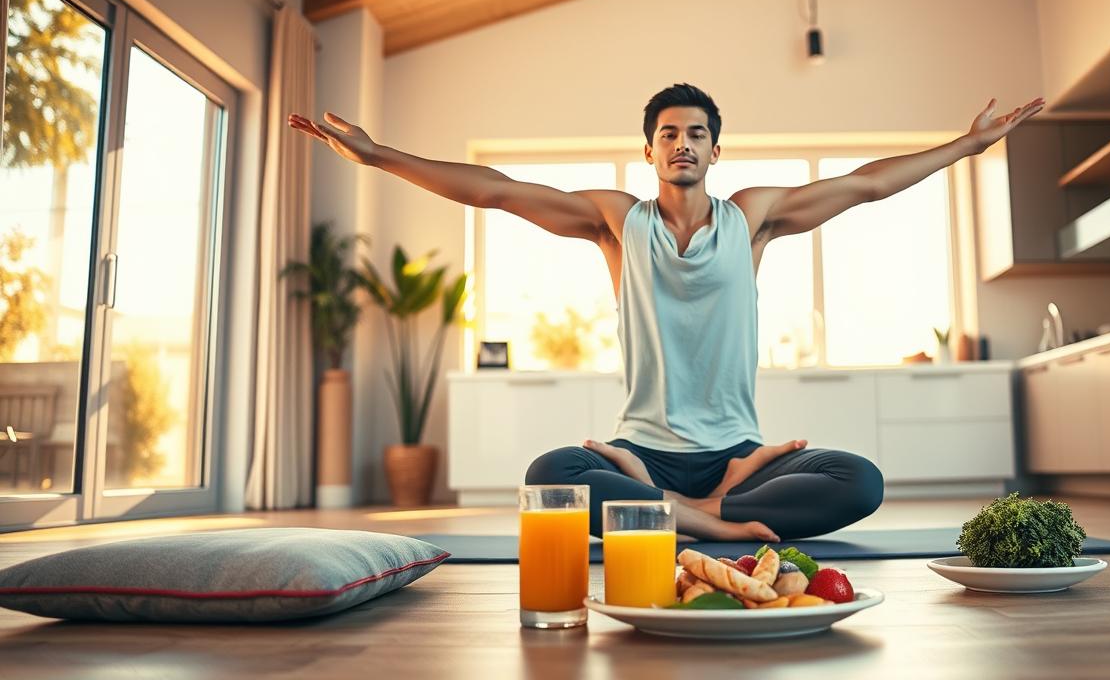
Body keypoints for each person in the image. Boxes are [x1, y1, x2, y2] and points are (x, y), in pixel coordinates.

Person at [290, 84, 1043, 541]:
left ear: (718, 150)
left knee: (861, 481)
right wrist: (380, 155)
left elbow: (865, 185)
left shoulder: (755, 217)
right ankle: (703, 516)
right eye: (669, 134)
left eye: (697, 134)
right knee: (551, 471)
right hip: (640, 453)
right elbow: (493, 188)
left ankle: (682, 512)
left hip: (741, 460)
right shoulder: (617, 221)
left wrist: (967, 147)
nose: (683, 143)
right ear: (649, 151)